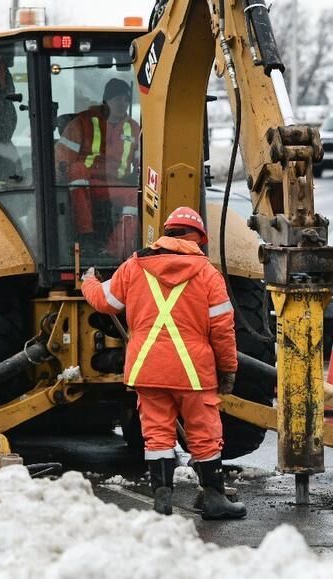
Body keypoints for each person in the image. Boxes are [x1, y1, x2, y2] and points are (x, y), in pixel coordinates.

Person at [80, 206, 245, 520]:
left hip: (148, 366)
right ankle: (213, 498)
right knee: (204, 434)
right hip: (194, 372)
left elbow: (106, 301)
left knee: (156, 434)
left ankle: (162, 498)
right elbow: (223, 329)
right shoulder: (208, 274)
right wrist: (228, 368)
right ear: (198, 238)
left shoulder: (135, 265)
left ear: (166, 233)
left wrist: (88, 281)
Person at [55, 77, 140, 243]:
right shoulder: (83, 122)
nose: (122, 103)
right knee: (78, 169)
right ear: (106, 101)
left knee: (135, 196)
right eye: (117, 99)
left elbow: (142, 161)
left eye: (125, 99)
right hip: (88, 182)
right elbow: (62, 155)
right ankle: (85, 235)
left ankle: (117, 251)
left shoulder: (134, 128)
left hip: (116, 184)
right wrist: (59, 172)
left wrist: (138, 176)